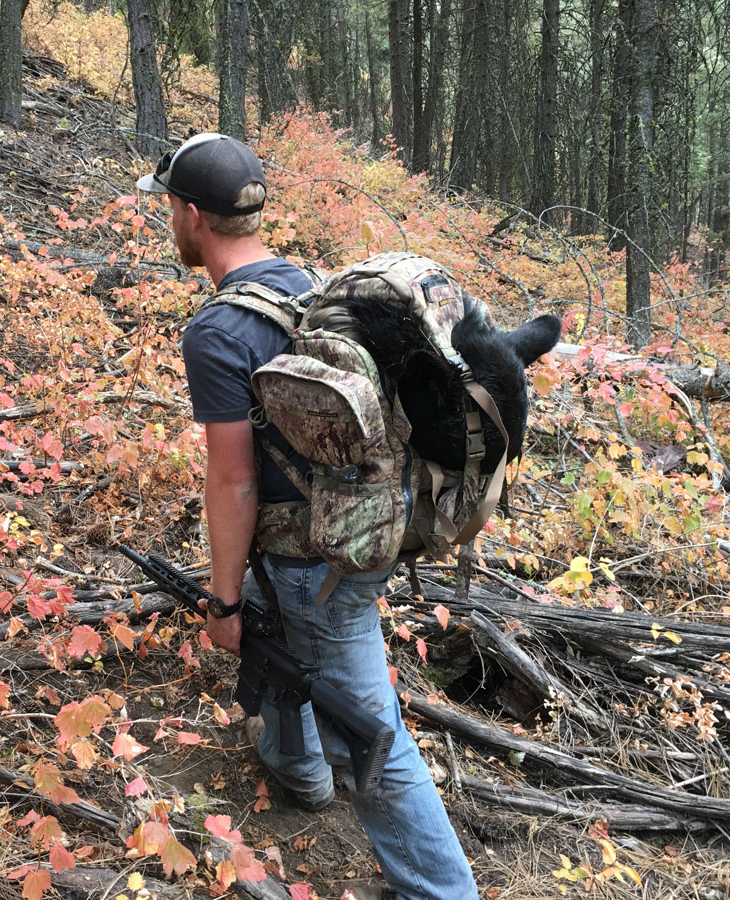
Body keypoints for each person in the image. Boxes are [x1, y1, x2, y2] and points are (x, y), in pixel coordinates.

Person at [136, 133, 478, 900]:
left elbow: (232, 484)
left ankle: (441, 891)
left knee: (371, 735)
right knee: (277, 638)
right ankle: (298, 772)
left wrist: (219, 602)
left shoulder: (218, 331)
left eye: (169, 210)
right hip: (365, 528)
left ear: (191, 215)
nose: (170, 222)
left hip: (313, 559)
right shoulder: (318, 288)